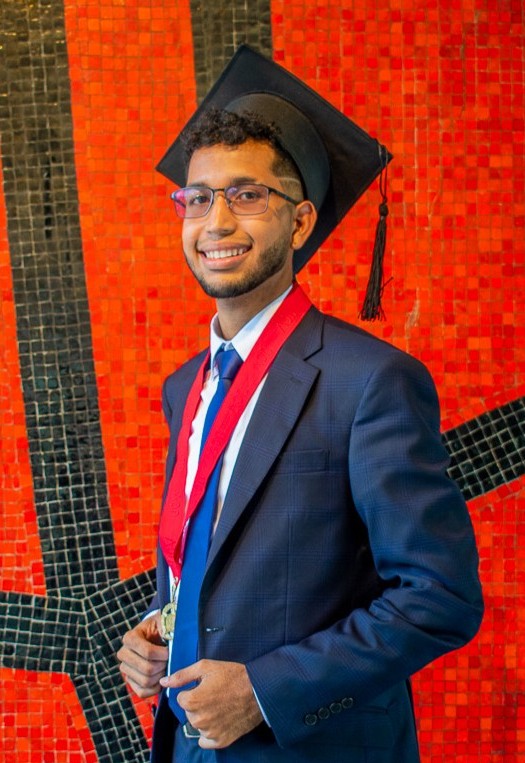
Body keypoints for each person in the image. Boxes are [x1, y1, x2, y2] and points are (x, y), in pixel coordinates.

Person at [117, 45, 483, 763]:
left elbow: (439, 596)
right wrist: (163, 627)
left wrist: (264, 690)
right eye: (198, 197)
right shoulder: (185, 387)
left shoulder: (370, 381)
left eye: (247, 195)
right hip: (189, 746)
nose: (216, 221)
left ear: (301, 221)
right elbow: (220, 557)